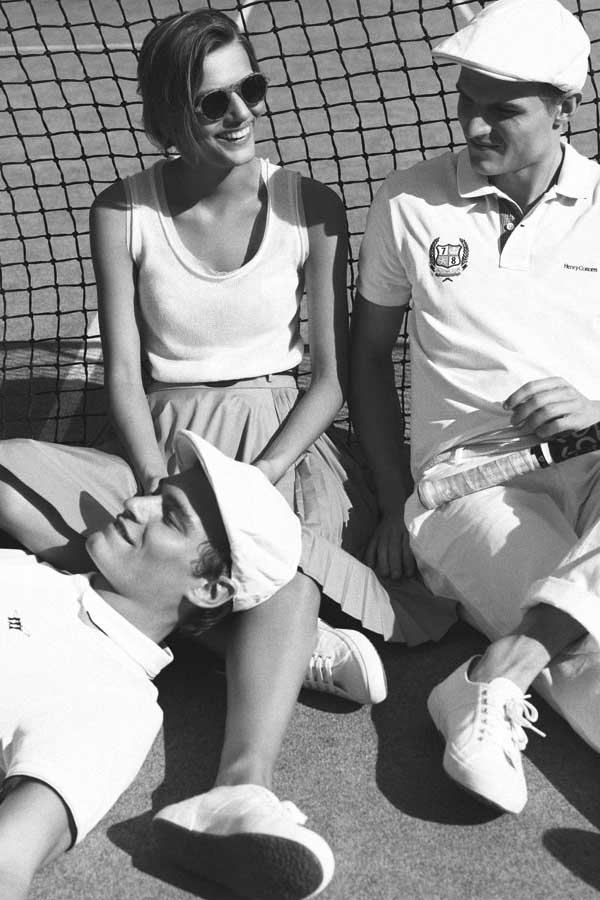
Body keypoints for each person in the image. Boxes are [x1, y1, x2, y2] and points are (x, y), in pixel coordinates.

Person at [351, 0, 600, 815]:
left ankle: (495, 673)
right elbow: (366, 355)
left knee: (563, 629)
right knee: (584, 653)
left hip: (594, 459)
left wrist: (592, 405)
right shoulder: (408, 202)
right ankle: (512, 668)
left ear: (565, 108)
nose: (475, 125)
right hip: (467, 485)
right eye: (468, 101)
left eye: (504, 110)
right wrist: (395, 499)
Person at [0, 429, 344, 900]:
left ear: (209, 589)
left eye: (170, 517)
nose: (135, 505)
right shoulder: (26, 568)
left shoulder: (114, 702)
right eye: (155, 496)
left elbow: (10, 857)